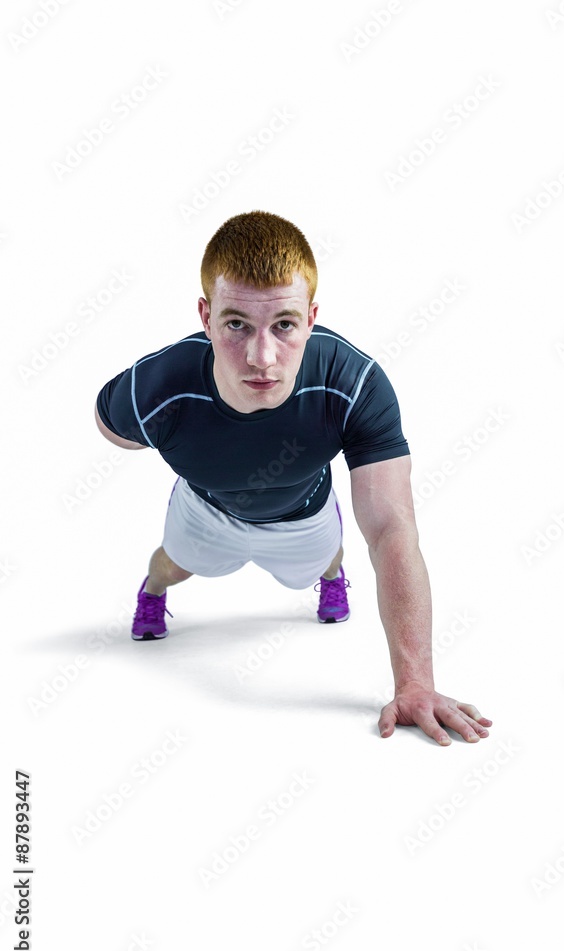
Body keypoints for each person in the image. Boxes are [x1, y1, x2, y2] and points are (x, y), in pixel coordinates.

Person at [94, 210, 492, 747]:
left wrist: (415, 684)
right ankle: (154, 592)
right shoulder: (155, 388)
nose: (262, 357)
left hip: (304, 514)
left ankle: (330, 579)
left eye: (284, 324)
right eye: (237, 324)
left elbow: (392, 531)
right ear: (205, 317)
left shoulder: (354, 384)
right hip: (207, 508)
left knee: (330, 559)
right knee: (171, 565)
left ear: (311, 318)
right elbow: (110, 427)